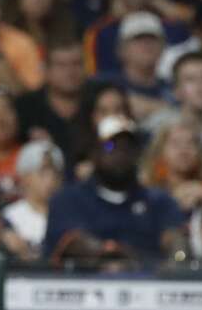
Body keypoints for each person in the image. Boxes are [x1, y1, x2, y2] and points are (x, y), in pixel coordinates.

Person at [44, 115, 187, 270]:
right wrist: (111, 253)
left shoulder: (158, 201)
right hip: (85, 284)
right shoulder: (69, 199)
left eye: (128, 148)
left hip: (146, 285)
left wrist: (176, 262)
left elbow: (176, 241)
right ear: (94, 152)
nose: (120, 153)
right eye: (110, 146)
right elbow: (74, 242)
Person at [105, 11, 173, 122]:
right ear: (121, 49)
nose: (146, 44)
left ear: (163, 47)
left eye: (152, 38)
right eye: (138, 39)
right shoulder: (104, 84)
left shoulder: (172, 88)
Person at [140, 120, 202, 214]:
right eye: (175, 143)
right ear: (160, 151)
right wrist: (173, 202)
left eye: (190, 143)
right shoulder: (145, 188)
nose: (184, 150)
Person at [4, 141, 65, 253]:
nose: (51, 180)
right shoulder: (9, 217)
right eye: (43, 172)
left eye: (56, 173)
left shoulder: (69, 214)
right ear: (25, 176)